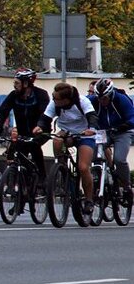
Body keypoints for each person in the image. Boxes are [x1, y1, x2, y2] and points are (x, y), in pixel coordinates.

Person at [33, 82, 98, 216]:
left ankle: (89, 200)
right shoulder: (54, 103)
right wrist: (40, 126)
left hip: (84, 134)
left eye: (57, 99)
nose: (54, 100)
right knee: (57, 140)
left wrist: (91, 129)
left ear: (66, 100)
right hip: (66, 132)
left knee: (83, 167)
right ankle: (62, 169)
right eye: (53, 97)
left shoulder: (82, 101)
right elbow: (45, 118)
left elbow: (92, 116)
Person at [0, 68, 50, 181]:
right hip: (23, 133)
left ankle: (42, 177)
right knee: (20, 154)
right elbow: (2, 112)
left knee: (34, 147)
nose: (14, 85)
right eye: (14, 83)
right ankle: (24, 184)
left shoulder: (41, 95)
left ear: (26, 84)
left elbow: (45, 115)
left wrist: (40, 127)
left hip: (41, 131)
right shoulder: (13, 95)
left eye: (17, 83)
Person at [91, 78, 134, 200]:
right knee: (93, 155)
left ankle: (126, 187)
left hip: (122, 132)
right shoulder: (94, 101)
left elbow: (132, 116)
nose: (101, 101)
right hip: (103, 132)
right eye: (99, 98)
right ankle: (102, 178)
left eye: (104, 98)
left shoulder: (121, 99)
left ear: (110, 94)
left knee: (119, 159)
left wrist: (125, 125)